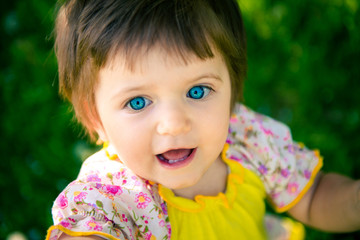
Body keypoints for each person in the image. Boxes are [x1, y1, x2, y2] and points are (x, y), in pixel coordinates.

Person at [46, 0, 360, 239]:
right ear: (94, 117)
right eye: (138, 102)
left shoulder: (247, 138)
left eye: (198, 91)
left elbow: (313, 195)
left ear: (233, 88)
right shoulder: (112, 193)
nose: (174, 123)